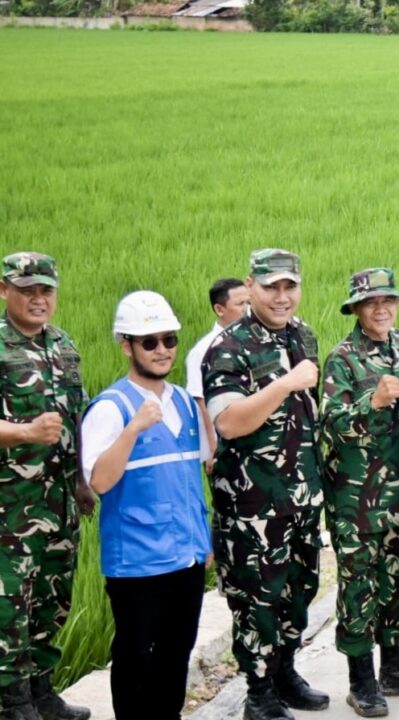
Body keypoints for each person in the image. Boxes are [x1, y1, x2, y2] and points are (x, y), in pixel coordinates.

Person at [202, 249, 328, 720]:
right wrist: (286, 383)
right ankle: (258, 693)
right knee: (257, 600)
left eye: (289, 286)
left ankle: (284, 672)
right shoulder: (229, 348)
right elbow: (229, 423)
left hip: (301, 498)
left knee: (299, 591)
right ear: (250, 285)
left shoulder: (303, 334)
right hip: (253, 505)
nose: (281, 296)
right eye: (271, 286)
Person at [81, 291, 213, 720]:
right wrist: (132, 430)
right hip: (137, 564)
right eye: (149, 341)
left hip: (187, 557)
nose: (162, 350)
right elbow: (100, 481)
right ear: (126, 346)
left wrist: (204, 541)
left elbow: (192, 478)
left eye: (169, 340)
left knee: (177, 653)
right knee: (137, 658)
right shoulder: (111, 408)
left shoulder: (183, 403)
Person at [319, 268, 399, 717]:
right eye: (372, 302)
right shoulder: (342, 359)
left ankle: (395, 666)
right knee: (359, 585)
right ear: (357, 309)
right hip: (357, 497)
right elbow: (331, 425)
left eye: (389, 300)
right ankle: (361, 679)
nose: (382, 309)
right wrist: (373, 402)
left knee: (398, 582)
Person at [0, 252, 94, 720]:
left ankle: (42, 692)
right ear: (4, 291)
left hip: (59, 503)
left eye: (46, 290)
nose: (38, 299)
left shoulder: (63, 345)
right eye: (27, 290)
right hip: (10, 510)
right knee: (8, 607)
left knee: (52, 599)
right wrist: (24, 433)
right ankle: (12, 703)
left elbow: (78, 418)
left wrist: (82, 480)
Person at [185, 278, 249, 472]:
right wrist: (213, 449)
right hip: (224, 446)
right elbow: (200, 401)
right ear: (220, 309)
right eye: (240, 304)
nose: (247, 309)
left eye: (250, 302)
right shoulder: (204, 350)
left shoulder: (253, 341)